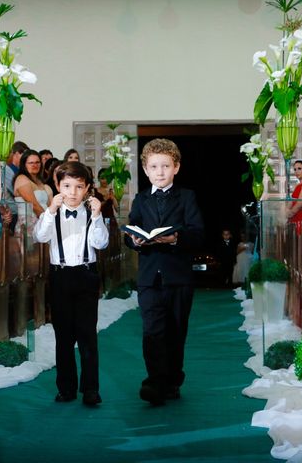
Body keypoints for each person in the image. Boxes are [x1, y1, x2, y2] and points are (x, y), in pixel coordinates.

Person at [124, 138, 204, 405]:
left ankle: (172, 380)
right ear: (145, 170)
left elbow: (197, 233)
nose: (160, 172)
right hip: (149, 277)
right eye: (154, 166)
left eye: (165, 166)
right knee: (152, 331)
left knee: (175, 331)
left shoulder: (187, 196)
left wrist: (176, 239)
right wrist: (133, 240)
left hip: (178, 277)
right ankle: (155, 382)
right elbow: (131, 228)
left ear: (176, 168)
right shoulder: (140, 199)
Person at [33, 161, 109, 406]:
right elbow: (40, 236)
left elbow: (101, 243)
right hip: (60, 276)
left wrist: (97, 217)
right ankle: (65, 388)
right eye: (67, 186)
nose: (72, 193)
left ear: (87, 188)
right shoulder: (51, 215)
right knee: (63, 336)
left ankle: (90, 389)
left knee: (88, 335)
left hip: (86, 276)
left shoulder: (92, 214)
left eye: (78, 187)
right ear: (57, 186)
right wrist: (50, 212)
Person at [13, 149, 53, 238]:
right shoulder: (21, 178)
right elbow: (34, 205)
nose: (35, 165)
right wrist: (48, 221)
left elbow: (49, 205)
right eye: (31, 163)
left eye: (37, 162)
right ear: (24, 165)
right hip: (28, 225)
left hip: (42, 223)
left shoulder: (40, 182)